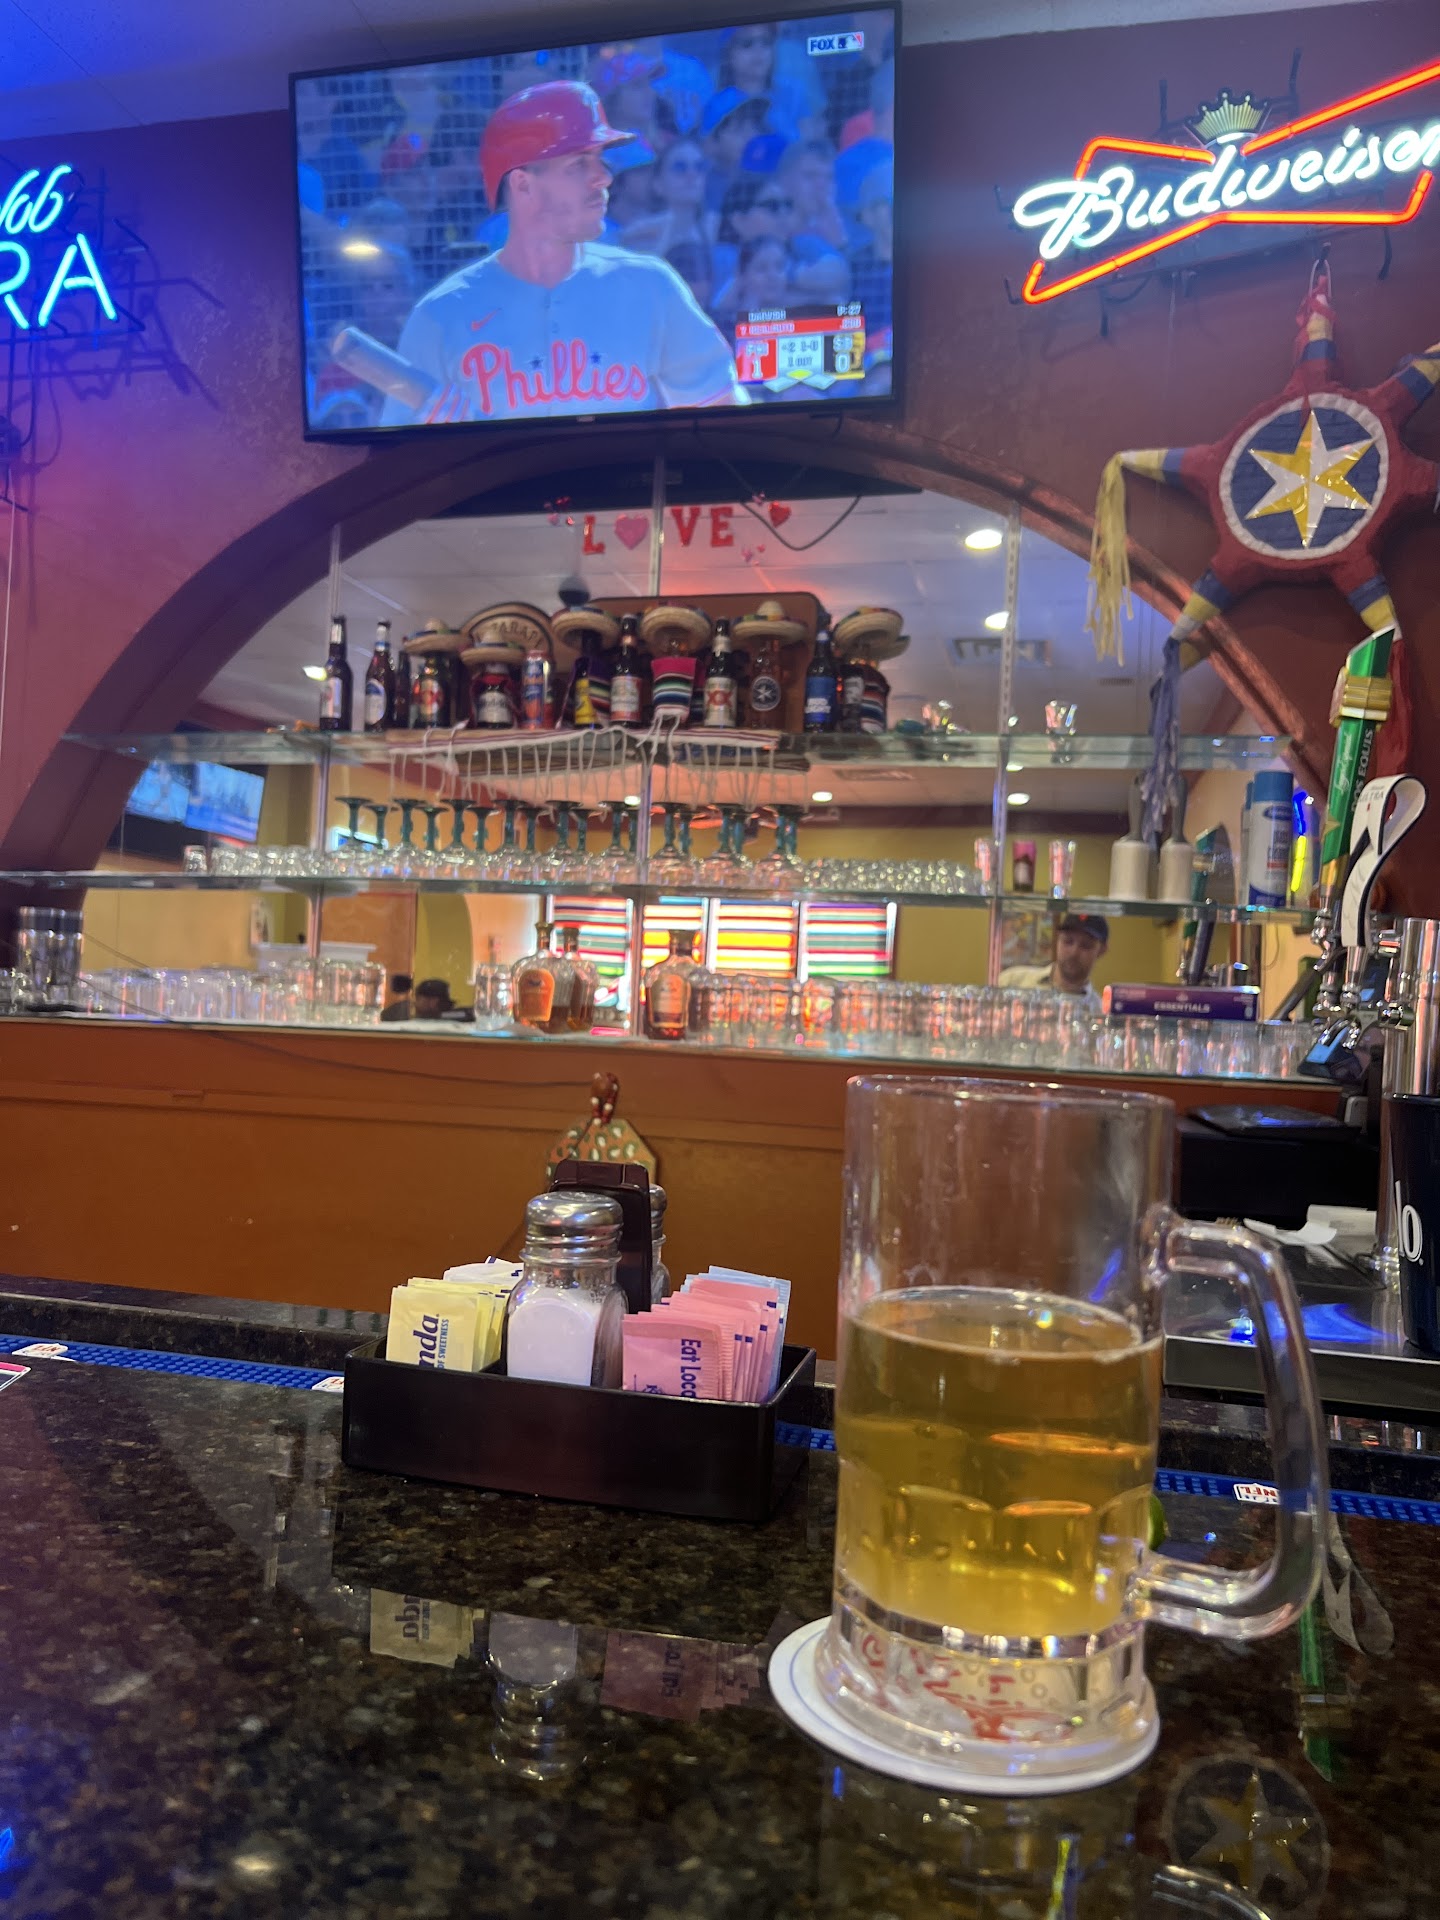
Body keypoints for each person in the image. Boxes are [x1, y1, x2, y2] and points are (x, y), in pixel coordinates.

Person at [378, 82, 745, 423]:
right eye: (579, 164)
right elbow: (394, 460)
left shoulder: (650, 286)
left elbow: (724, 418)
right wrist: (435, 448)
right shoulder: (441, 316)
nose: (604, 177)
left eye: (600, 159)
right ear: (523, 184)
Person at [998, 914, 1109, 1008]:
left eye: (1086, 945)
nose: (1074, 952)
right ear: (1057, 939)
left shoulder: (1098, 1010)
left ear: (1101, 951)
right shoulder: (1011, 981)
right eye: (1067, 941)